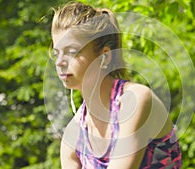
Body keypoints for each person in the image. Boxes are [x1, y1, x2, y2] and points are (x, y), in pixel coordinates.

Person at [50, 1, 182, 168]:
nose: (60, 62)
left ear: (104, 56)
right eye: (57, 53)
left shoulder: (135, 100)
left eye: (71, 52)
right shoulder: (73, 136)